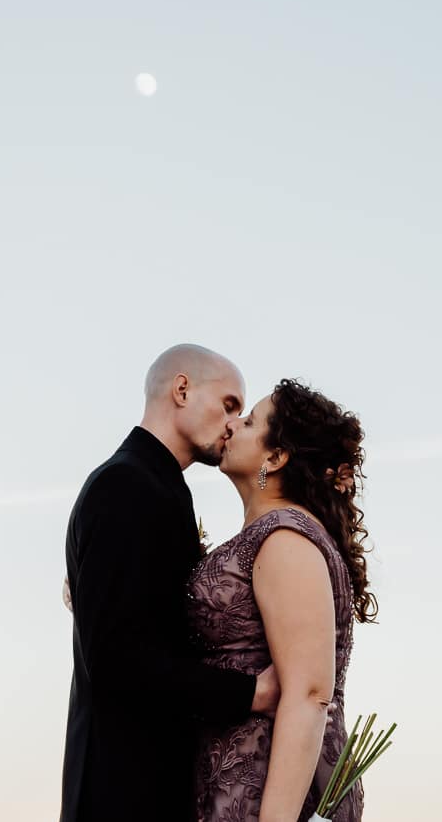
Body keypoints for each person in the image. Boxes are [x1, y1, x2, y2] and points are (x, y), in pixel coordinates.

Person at [59, 344, 281, 822]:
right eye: (228, 405)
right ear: (181, 389)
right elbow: (117, 660)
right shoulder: (126, 486)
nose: (231, 425)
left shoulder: (152, 486)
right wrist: (250, 693)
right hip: (122, 793)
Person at [189, 379, 378, 822]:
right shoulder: (272, 535)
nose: (232, 425)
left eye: (250, 421)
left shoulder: (285, 538)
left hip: (269, 797)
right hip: (234, 784)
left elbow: (310, 692)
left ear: (275, 457)